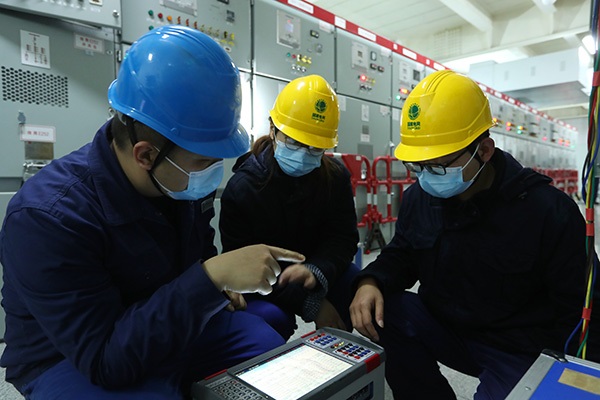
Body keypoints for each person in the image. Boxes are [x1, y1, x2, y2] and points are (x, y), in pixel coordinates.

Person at [0, 26, 305, 399]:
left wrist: (213, 287)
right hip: (75, 355)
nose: (215, 173)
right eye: (205, 162)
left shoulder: (175, 178)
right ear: (145, 154)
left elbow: (197, 252)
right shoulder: (49, 217)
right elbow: (106, 360)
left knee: (267, 344)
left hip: (163, 321)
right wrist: (210, 279)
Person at [349, 70, 592, 400]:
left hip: (517, 347)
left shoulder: (547, 210)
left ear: (485, 150)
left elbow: (580, 307)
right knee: (386, 310)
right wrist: (370, 280)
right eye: (418, 165)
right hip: (448, 328)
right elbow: (402, 253)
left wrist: (572, 379)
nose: (426, 176)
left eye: (438, 165)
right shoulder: (420, 197)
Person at [219, 75, 360, 340]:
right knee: (271, 320)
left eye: (316, 148)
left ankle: (337, 356)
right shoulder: (243, 188)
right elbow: (242, 265)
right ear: (273, 130)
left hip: (318, 266)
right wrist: (311, 302)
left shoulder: (335, 177)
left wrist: (316, 271)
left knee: (355, 287)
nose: (304, 154)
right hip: (264, 284)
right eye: (294, 142)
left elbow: (343, 239)